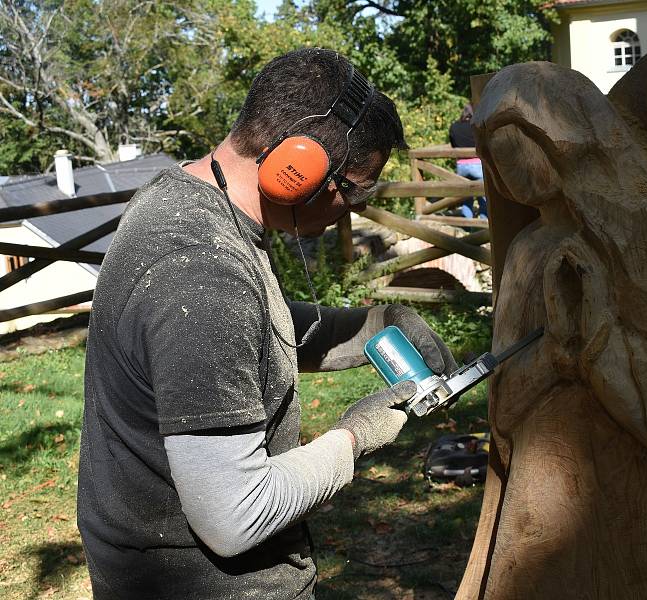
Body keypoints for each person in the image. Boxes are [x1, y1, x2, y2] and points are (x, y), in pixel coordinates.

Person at [77, 48, 457, 600]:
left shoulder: (187, 201)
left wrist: (376, 324)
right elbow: (236, 515)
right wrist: (354, 438)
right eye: (352, 188)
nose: (350, 210)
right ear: (294, 169)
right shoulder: (200, 272)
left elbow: (252, 327)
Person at [448, 103, 487, 219]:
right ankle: (483, 225)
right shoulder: (477, 126)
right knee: (483, 196)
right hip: (477, 165)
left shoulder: (454, 126)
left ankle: (467, 225)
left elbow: (453, 145)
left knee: (466, 197)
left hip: (461, 167)